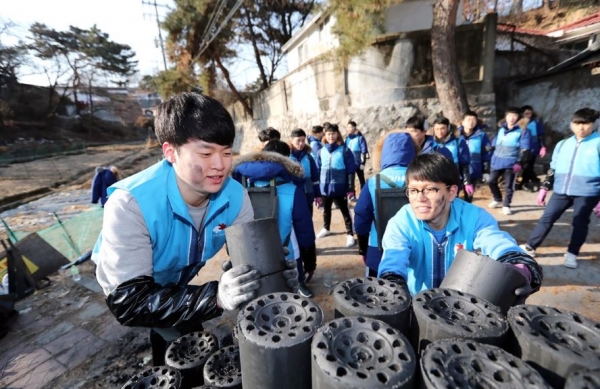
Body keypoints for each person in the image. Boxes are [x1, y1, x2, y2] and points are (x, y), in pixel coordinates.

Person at [92, 93, 298, 366]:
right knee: (182, 342)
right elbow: (130, 302)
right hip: (133, 283)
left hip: (178, 274)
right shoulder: (131, 203)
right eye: (205, 152)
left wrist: (277, 272)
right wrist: (216, 296)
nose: (220, 165)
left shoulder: (234, 196)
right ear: (170, 152)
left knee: (179, 324)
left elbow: (250, 257)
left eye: (226, 152)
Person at [377, 153, 543, 300]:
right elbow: (393, 261)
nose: (419, 198)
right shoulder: (401, 222)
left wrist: (521, 268)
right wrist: (393, 286)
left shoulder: (475, 218)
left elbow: (497, 242)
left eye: (430, 189)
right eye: (413, 190)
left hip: (462, 309)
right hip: (417, 305)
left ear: (452, 192)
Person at [232, 140, 317, 297]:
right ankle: (300, 285)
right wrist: (310, 261)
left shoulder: (239, 188)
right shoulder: (292, 190)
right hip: (286, 256)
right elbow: (305, 232)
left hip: (248, 256)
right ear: (285, 160)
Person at [520, 108, 600, 269]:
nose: (581, 128)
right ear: (571, 124)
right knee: (547, 218)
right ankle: (530, 247)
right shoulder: (563, 144)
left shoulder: (598, 143)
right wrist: (544, 188)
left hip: (587, 192)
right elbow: (553, 168)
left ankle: (572, 254)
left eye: (585, 124)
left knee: (580, 223)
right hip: (561, 191)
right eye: (577, 123)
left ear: (593, 124)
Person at [354, 132, 416, 276]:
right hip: (414, 250)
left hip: (379, 250)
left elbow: (361, 219)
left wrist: (363, 249)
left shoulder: (373, 182)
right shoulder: (420, 179)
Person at [315, 123, 358, 247]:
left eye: (333, 133)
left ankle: (350, 233)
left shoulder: (344, 150)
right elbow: (317, 170)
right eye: (328, 134)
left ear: (337, 134)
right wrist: (318, 191)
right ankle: (326, 228)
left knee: (345, 211)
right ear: (325, 134)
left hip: (339, 187)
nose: (331, 136)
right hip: (324, 188)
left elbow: (350, 170)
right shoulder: (321, 151)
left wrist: (350, 188)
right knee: (326, 210)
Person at [488, 107, 531, 215]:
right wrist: (490, 148)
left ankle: (506, 205)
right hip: (497, 160)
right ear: (505, 117)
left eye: (514, 115)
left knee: (509, 185)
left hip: (511, 162)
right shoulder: (501, 129)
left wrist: (519, 162)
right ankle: (497, 198)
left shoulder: (523, 130)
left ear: (518, 117)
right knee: (491, 181)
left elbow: (524, 148)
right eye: (509, 115)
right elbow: (495, 141)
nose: (512, 118)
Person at [431, 117, 473, 201]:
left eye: (443, 128)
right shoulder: (430, 143)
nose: (440, 131)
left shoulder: (458, 142)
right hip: (434, 178)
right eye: (437, 129)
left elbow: (464, 164)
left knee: (451, 203)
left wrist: (467, 182)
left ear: (448, 128)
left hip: (452, 179)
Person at [458, 111, 493, 202]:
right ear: (462, 122)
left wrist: (486, 171)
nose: (471, 122)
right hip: (457, 170)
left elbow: (486, 154)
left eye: (473, 119)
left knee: (468, 197)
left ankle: (466, 214)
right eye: (468, 119)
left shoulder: (481, 135)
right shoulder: (455, 135)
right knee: (454, 196)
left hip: (473, 170)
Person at [289, 128, 321, 216]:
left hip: (308, 194)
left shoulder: (308, 157)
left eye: (303, 140)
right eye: (298, 140)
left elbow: (315, 178)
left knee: (308, 219)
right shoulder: (287, 156)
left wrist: (317, 195)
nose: (301, 143)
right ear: (291, 140)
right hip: (293, 195)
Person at [520, 105, 547, 192]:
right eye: (526, 113)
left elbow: (541, 135)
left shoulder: (536, 122)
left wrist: (543, 146)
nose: (529, 115)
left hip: (534, 146)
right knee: (526, 166)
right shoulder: (520, 122)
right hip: (523, 147)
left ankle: (524, 183)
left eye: (530, 113)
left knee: (529, 166)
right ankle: (535, 180)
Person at [345, 121, 370, 200]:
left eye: (351, 127)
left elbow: (363, 151)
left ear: (355, 127)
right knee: (350, 180)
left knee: (361, 179)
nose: (349, 129)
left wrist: (363, 162)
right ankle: (352, 195)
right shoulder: (347, 139)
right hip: (349, 163)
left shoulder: (360, 138)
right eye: (348, 127)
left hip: (358, 162)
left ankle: (363, 195)